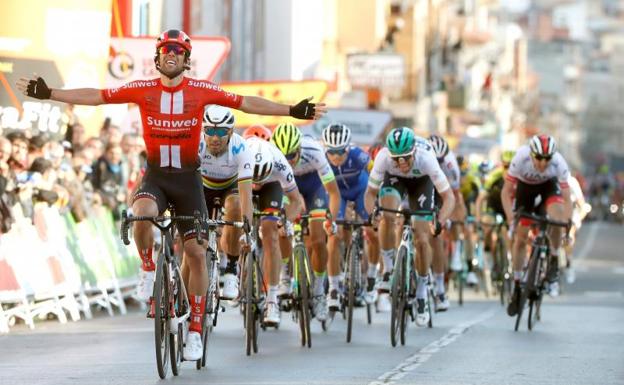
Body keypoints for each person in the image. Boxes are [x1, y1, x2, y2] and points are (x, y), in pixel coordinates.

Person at [17, 28, 325, 361]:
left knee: (194, 252)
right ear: (158, 56)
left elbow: (247, 103)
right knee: (142, 213)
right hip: (156, 176)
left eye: (178, 51)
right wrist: (51, 93)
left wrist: (291, 110)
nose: (171, 54)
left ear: (186, 59)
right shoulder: (143, 89)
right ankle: (148, 268)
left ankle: (195, 329)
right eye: (166, 49)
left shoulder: (201, 90)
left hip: (189, 180)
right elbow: (98, 95)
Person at [364, 127, 455, 325]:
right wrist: (374, 213)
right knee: (387, 214)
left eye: (405, 157)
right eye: (397, 159)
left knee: (422, 239)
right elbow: (370, 194)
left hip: (421, 182)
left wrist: (439, 221)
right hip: (395, 181)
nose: (402, 163)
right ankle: (388, 269)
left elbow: (449, 198)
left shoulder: (426, 158)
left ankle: (422, 292)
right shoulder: (384, 157)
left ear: (414, 151)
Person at [271, 122, 341, 322]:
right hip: (285, 186)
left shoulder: (315, 152)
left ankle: (319, 291)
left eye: (292, 156)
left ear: (300, 149)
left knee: (319, 239)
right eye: (284, 157)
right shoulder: (272, 155)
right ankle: (285, 275)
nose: (289, 161)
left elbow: (334, 193)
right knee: (282, 227)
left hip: (312, 186)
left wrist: (331, 219)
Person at [502, 134, 572, 317]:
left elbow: (566, 198)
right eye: (539, 158)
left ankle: (554, 259)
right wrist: (511, 219)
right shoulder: (520, 158)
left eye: (547, 159)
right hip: (525, 190)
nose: (542, 163)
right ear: (532, 154)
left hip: (549, 187)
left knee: (556, 219)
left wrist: (567, 222)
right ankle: (518, 285)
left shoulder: (559, 163)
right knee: (520, 238)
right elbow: (506, 192)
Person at [196, 105, 254, 303]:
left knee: (236, 205)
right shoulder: (196, 143)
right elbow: (183, 181)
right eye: (210, 131)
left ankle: (230, 268)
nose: (214, 137)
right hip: (201, 186)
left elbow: (247, 194)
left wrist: (248, 230)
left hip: (231, 186)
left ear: (230, 131)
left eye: (221, 131)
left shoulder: (241, 148)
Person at [246, 137, 304, 326]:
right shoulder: (237, 156)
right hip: (241, 181)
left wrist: (285, 221)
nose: (257, 185)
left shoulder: (280, 163)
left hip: (272, 187)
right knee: (235, 221)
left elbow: (295, 201)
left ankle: (272, 300)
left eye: (259, 180)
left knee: (271, 234)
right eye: (256, 181)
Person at [321, 123, 380, 306]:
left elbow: (377, 175)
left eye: (340, 152)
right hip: (338, 195)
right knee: (333, 235)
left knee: (372, 230)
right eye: (331, 152)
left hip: (361, 190)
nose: (336, 157)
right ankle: (334, 287)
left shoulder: (359, 156)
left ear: (348, 148)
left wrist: (377, 203)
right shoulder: (322, 160)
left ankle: (371, 275)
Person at [427, 134, 465, 311]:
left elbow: (454, 197)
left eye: (439, 159)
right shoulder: (421, 157)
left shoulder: (450, 165)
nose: (437, 162)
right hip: (422, 186)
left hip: (442, 192)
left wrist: (448, 218)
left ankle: (440, 288)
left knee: (436, 237)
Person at [563, 174, 587, 284]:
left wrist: (578, 220)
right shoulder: (549, 178)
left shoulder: (572, 182)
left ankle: (568, 261)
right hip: (556, 211)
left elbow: (581, 203)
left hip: (570, 213)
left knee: (569, 235)